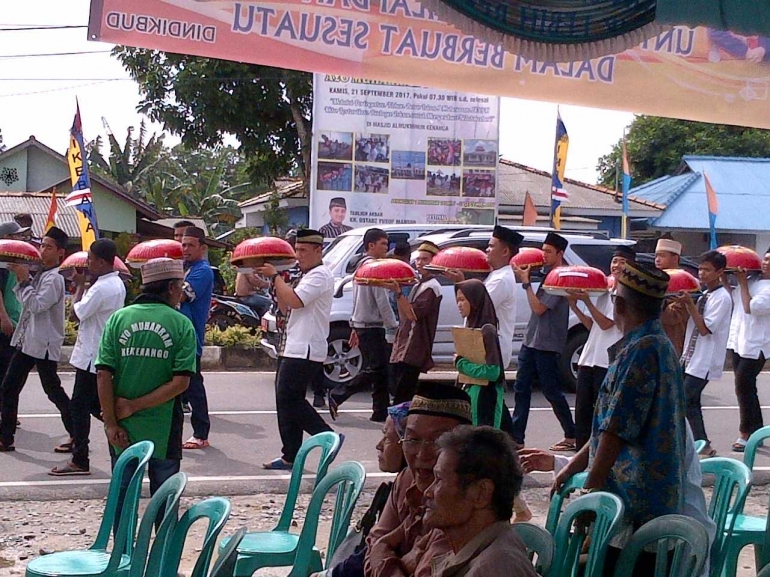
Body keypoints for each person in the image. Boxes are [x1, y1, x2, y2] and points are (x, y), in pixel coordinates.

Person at [553, 261, 687, 574]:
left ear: (619, 304)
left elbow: (615, 432)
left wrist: (590, 496)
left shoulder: (642, 350)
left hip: (635, 506)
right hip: (645, 501)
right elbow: (608, 425)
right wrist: (574, 464)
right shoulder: (654, 345)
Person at [96, 257, 197, 495]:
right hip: (164, 429)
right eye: (180, 286)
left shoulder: (118, 319)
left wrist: (111, 423)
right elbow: (181, 382)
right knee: (163, 500)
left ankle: (122, 534)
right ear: (171, 287)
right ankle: (163, 534)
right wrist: (134, 406)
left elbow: (102, 374)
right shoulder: (181, 324)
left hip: (122, 430)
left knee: (122, 497)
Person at [364, 383, 472, 577]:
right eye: (412, 439)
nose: (422, 454)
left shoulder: (463, 502)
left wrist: (384, 551)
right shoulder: (407, 478)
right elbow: (376, 539)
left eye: (438, 442)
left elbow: (380, 546)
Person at [257, 229, 335, 470]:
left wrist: (276, 277)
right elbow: (284, 306)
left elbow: (295, 301)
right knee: (284, 401)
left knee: (291, 400)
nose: (298, 255)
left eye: (303, 250)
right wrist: (278, 281)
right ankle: (290, 454)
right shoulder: (305, 275)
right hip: (291, 345)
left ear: (318, 250)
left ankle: (326, 436)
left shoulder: (320, 275)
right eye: (296, 250)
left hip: (306, 348)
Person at [50, 239, 126, 476]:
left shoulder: (100, 288)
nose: (88, 263)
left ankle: (80, 457)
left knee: (79, 406)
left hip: (92, 355)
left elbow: (76, 314)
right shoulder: (116, 284)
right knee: (96, 405)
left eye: (91, 260)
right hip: (97, 353)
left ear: (102, 262)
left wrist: (80, 286)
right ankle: (122, 435)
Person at [312, 402, 410, 577]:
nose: (378, 445)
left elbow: (375, 549)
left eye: (387, 438)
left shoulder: (414, 497)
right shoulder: (400, 487)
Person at [425, 426, 536, 577]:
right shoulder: (478, 553)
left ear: (481, 493)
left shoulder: (495, 568)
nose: (428, 492)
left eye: (439, 479)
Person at [0, 227, 71, 452]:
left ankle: (78, 433)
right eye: (42, 245)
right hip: (28, 342)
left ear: (60, 252)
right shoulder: (41, 273)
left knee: (53, 391)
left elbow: (37, 305)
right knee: (9, 387)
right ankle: (6, 437)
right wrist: (23, 279)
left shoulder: (55, 278)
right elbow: (23, 299)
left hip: (44, 344)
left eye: (48, 247)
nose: (43, 250)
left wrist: (23, 281)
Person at [511, 232, 575, 451]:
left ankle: (571, 433)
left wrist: (526, 284)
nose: (544, 255)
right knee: (521, 387)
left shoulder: (560, 277)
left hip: (547, 342)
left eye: (549, 251)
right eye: (543, 250)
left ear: (560, 253)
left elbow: (539, 309)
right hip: (531, 339)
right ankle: (517, 437)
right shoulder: (546, 273)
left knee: (550, 390)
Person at [568, 246, 634, 449]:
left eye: (623, 262)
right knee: (582, 411)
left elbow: (607, 323)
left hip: (607, 360)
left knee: (601, 411)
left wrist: (587, 301)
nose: (617, 266)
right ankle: (581, 452)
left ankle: (596, 455)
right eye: (615, 261)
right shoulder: (605, 288)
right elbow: (593, 325)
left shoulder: (626, 293)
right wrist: (575, 306)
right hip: (589, 357)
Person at [330, 228, 397, 422]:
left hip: (362, 323)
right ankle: (338, 394)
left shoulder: (361, 266)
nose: (386, 248)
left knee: (380, 371)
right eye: (383, 244)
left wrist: (353, 324)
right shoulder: (374, 269)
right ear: (371, 245)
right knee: (376, 370)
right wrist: (392, 325)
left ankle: (380, 411)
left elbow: (356, 300)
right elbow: (382, 301)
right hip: (372, 325)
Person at [443, 225, 522, 376]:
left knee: (484, 397)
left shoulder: (501, 280)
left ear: (505, 252)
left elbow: (475, 307)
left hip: (489, 351)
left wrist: (460, 283)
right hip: (483, 348)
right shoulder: (495, 275)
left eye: (491, 246)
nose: (486, 250)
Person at [677, 250, 732, 457]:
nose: (702, 273)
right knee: (690, 402)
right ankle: (702, 443)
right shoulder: (702, 293)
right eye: (700, 269)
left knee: (684, 399)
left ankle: (693, 443)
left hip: (705, 359)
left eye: (707, 270)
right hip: (690, 356)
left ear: (719, 272)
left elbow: (705, 329)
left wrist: (691, 306)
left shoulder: (722, 297)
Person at [383, 241, 442, 404]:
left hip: (415, 346)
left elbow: (413, 314)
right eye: (418, 259)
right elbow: (404, 316)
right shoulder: (419, 283)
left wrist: (398, 292)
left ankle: (399, 426)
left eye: (425, 259)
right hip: (406, 343)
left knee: (402, 394)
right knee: (399, 391)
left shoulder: (432, 287)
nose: (420, 263)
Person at [453, 279, 514, 435]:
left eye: (462, 300)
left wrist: (461, 364)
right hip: (473, 391)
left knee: (484, 442)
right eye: (457, 300)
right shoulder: (471, 326)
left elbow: (493, 372)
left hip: (486, 396)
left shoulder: (487, 330)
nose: (459, 305)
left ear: (474, 301)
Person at [727, 250, 770, 453]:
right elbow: (734, 297)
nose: (766, 263)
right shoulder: (752, 278)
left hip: (757, 345)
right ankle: (757, 430)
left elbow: (749, 307)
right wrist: (727, 277)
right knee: (745, 387)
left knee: (743, 385)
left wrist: (743, 284)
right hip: (739, 340)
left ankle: (745, 432)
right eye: (767, 259)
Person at [179, 226, 214, 450]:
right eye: (183, 245)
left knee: (193, 385)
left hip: (190, 336)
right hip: (178, 334)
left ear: (202, 248)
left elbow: (180, 294)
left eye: (190, 245)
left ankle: (201, 433)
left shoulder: (203, 271)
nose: (185, 249)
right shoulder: (185, 268)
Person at [0, 222, 30, 384]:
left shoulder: (15, 261)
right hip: (5, 324)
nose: (21, 238)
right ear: (6, 238)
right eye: (17, 235)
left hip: (15, 323)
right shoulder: (1, 262)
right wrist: (3, 318)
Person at [655, 238, 690, 356]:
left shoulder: (685, 282)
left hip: (672, 341)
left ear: (675, 258)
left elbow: (673, 317)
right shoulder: (656, 281)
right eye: (656, 256)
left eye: (662, 256)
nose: (657, 260)